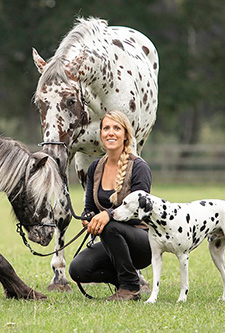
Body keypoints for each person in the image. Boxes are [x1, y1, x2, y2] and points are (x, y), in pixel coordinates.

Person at [68, 110, 152, 301]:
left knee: (110, 224)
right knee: (77, 270)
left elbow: (141, 211)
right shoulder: (95, 167)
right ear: (100, 134)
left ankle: (130, 287)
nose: (110, 133)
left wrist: (108, 215)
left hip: (142, 241)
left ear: (125, 135)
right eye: (106, 128)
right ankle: (125, 282)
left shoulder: (139, 167)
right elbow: (89, 207)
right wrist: (88, 218)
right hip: (112, 241)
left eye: (116, 128)